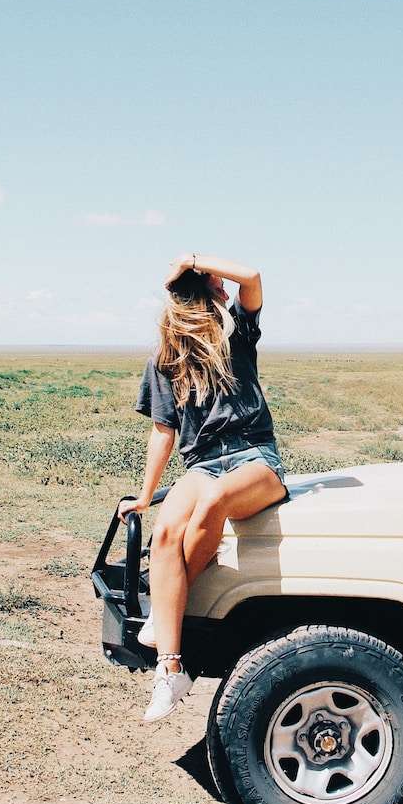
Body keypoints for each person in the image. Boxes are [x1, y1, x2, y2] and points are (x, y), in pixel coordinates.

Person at [123, 253, 288, 723]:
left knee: (214, 502)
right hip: (202, 461)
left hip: (255, 456)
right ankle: (170, 670)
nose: (223, 283)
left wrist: (196, 259)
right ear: (203, 292)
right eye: (214, 280)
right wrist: (144, 492)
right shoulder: (165, 359)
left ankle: (166, 609)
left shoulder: (238, 333)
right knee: (164, 534)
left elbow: (253, 277)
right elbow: (163, 431)